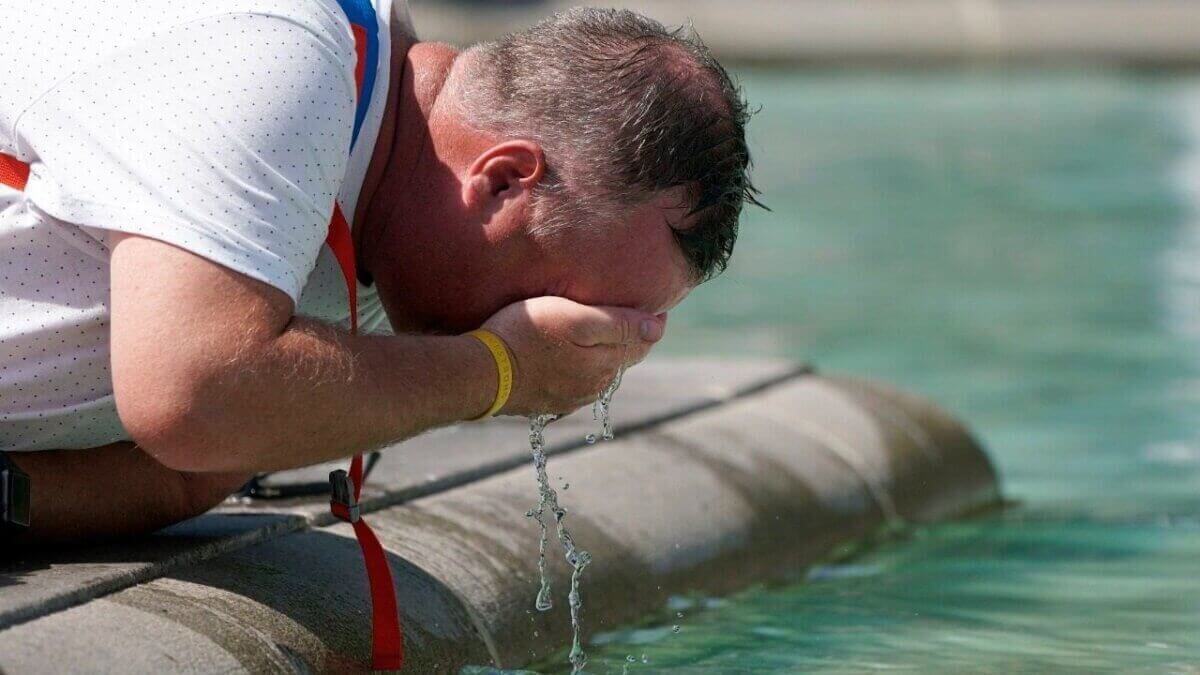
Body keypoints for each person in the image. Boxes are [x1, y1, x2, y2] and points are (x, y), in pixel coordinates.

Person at [0, 1, 759, 542]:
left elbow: (186, 474)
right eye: (564, 305)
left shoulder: (381, 223)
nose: (566, 341)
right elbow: (195, 396)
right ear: (502, 181)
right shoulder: (276, 60)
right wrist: (498, 369)